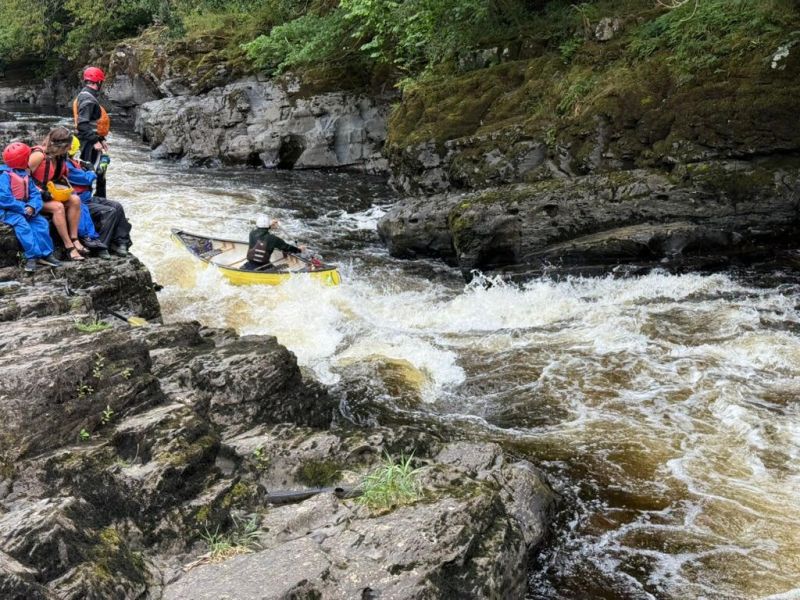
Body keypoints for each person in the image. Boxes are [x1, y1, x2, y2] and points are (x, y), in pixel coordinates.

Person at [0, 142, 61, 272]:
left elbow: (34, 194)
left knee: (42, 223)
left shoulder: (25, 174)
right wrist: (23, 208)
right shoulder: (4, 175)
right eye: (27, 157)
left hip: (26, 208)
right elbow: (4, 198)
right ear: (22, 160)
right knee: (23, 225)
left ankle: (47, 254)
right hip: (8, 210)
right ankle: (32, 257)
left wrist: (33, 207)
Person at [66, 136, 132, 257]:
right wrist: (91, 171)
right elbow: (86, 179)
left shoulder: (74, 162)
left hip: (87, 197)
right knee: (110, 211)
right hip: (80, 200)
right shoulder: (66, 165)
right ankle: (100, 246)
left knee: (117, 206)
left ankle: (121, 242)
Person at [28, 127, 87, 261]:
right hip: (32, 198)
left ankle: (75, 238)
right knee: (58, 207)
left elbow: (60, 176)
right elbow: (22, 178)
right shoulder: (38, 155)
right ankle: (69, 246)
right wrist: (40, 192)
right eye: (69, 145)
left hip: (50, 193)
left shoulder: (60, 156)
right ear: (63, 146)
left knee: (75, 200)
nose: (71, 148)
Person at [73, 66, 110, 198]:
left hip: (91, 140)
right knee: (92, 171)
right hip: (88, 143)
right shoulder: (88, 100)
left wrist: (100, 139)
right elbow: (82, 124)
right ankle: (93, 200)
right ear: (98, 82)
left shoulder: (86, 96)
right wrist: (95, 141)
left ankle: (98, 198)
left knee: (98, 170)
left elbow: (92, 123)